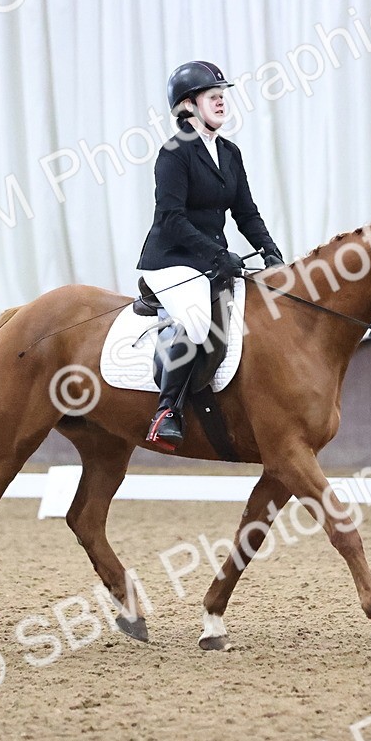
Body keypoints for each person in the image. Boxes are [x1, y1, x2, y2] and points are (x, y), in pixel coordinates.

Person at [137, 60, 285, 451]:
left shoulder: (230, 153)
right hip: (171, 261)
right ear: (188, 105)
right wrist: (218, 254)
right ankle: (166, 411)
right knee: (200, 322)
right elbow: (170, 218)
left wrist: (271, 251)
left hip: (211, 260)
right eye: (212, 95)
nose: (222, 101)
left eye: (223, 95)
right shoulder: (174, 154)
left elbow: (246, 212)